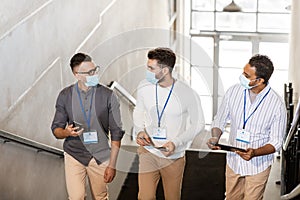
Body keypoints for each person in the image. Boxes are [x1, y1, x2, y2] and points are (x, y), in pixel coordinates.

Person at [207, 54, 287, 200]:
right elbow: (219, 120)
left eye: (246, 75)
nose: (241, 77)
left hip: (258, 165)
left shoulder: (277, 105)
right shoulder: (233, 92)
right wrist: (215, 136)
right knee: (231, 197)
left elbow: (276, 142)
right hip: (233, 160)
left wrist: (255, 152)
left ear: (260, 80)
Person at [133, 47, 205, 200]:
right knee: (144, 197)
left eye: (151, 68)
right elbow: (139, 111)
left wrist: (176, 143)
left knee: (172, 197)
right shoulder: (143, 86)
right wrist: (139, 130)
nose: (148, 71)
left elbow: (198, 124)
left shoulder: (187, 93)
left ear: (165, 70)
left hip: (173, 156)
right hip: (148, 152)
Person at [51, 53, 124, 200]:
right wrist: (66, 132)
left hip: (100, 155)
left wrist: (112, 165)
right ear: (76, 74)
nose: (94, 74)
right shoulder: (65, 96)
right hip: (74, 154)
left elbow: (116, 132)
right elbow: (56, 129)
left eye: (95, 70)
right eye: (89, 72)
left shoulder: (109, 96)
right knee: (76, 197)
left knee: (100, 196)